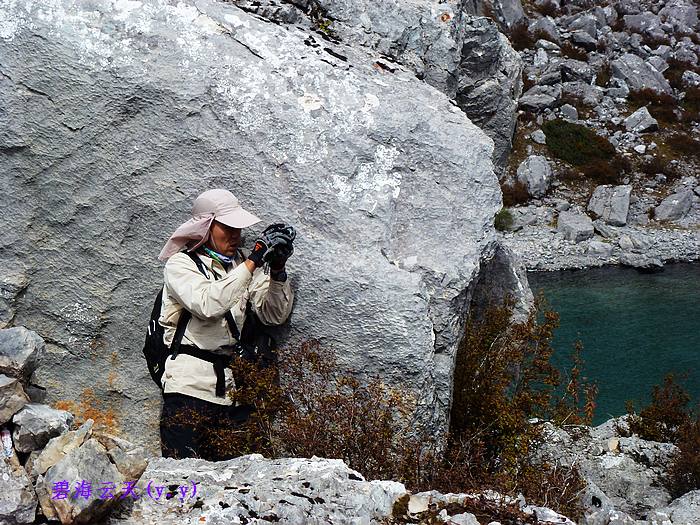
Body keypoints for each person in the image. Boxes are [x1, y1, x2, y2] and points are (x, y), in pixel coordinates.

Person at [156, 188, 295, 461]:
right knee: (182, 486)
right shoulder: (180, 265)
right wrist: (255, 260)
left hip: (233, 394)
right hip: (188, 391)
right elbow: (207, 304)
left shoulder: (240, 265)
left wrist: (277, 271)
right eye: (227, 227)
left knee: (237, 489)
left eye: (238, 229)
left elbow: (272, 315)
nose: (235, 236)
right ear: (205, 227)